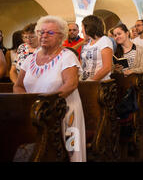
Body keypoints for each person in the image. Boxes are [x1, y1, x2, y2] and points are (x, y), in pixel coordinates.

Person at [13, 15, 86, 162]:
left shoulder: (67, 57)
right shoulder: (29, 59)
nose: (44, 36)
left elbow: (70, 84)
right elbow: (18, 85)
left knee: (70, 152)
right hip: (36, 112)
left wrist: (47, 103)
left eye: (50, 33)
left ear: (61, 37)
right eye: (41, 32)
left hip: (63, 111)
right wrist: (27, 103)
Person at [79, 15, 113, 81]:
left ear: (88, 27)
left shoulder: (104, 40)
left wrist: (91, 82)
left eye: (82, 27)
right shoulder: (87, 42)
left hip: (98, 84)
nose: (81, 31)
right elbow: (82, 63)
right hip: (84, 81)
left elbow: (107, 67)